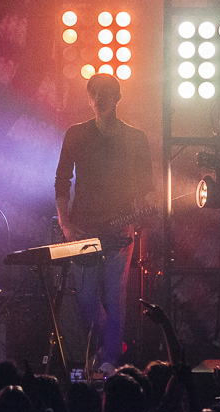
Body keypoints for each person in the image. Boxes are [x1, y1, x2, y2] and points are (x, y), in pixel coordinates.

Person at [55, 74, 154, 377]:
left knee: (115, 296)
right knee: (86, 300)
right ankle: (114, 344)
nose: (100, 98)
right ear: (89, 98)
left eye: (107, 93)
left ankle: (110, 358)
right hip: (83, 229)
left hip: (120, 229)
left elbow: (146, 184)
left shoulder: (136, 138)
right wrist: (66, 224)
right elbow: (61, 181)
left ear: (118, 98)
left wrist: (147, 205)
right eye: (95, 93)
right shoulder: (75, 134)